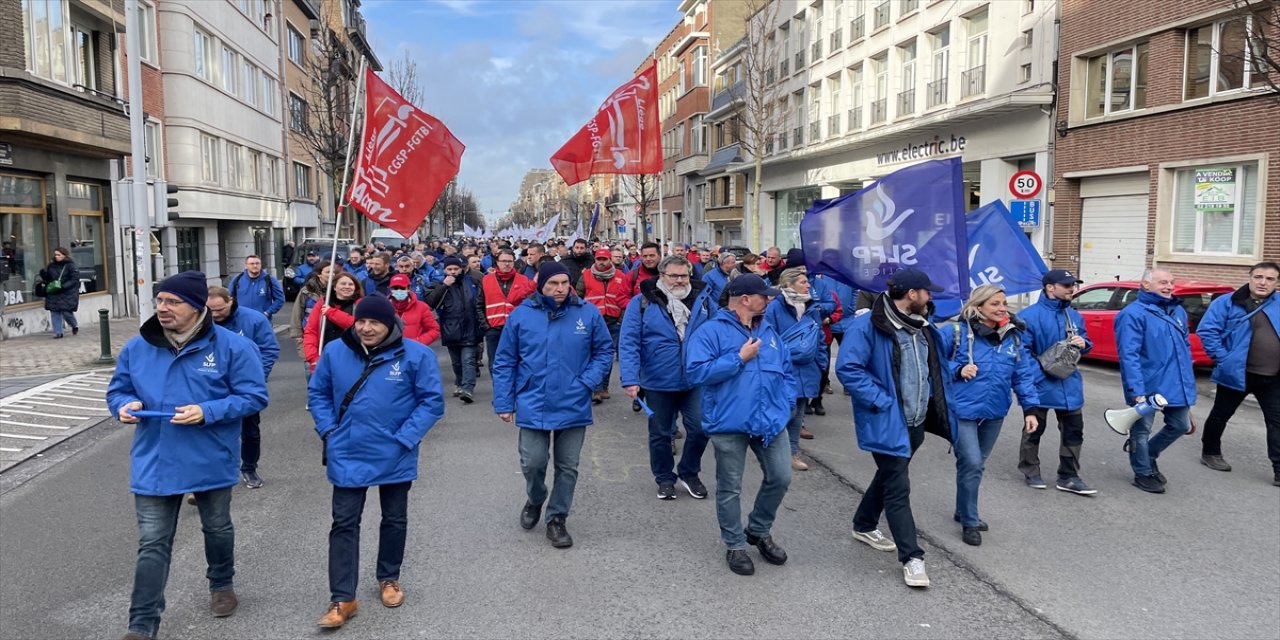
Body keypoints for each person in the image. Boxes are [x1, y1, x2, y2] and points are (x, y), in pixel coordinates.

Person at [107, 271, 268, 640]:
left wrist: (207, 411)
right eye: (160, 301)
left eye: (173, 302)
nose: (162, 308)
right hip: (155, 459)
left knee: (217, 527)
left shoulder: (233, 347)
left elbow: (254, 396)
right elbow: (118, 390)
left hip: (209, 454)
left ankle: (222, 583)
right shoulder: (137, 347)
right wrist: (123, 405)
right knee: (153, 543)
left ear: (196, 307)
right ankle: (141, 625)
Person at [309, 295, 445, 629]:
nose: (366, 328)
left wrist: (405, 438)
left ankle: (389, 577)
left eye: (375, 322)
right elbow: (318, 393)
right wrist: (328, 430)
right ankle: (343, 598)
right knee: (344, 523)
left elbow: (431, 402)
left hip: (395, 451)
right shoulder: (335, 352)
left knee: (394, 518)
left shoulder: (417, 355)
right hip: (347, 450)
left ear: (390, 324)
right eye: (361, 321)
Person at [836, 268, 958, 589]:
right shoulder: (868, 325)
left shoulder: (923, 325)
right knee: (898, 486)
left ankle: (864, 524)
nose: (931, 297)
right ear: (911, 294)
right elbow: (848, 368)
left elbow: (935, 367)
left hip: (916, 420)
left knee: (890, 475)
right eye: (927, 292)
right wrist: (882, 401)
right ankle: (912, 558)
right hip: (887, 420)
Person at [492, 262, 613, 549]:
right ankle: (536, 498)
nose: (560, 289)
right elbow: (505, 360)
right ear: (541, 285)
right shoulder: (521, 315)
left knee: (568, 466)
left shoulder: (587, 313)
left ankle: (557, 518)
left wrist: (587, 382)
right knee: (532, 462)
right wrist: (504, 401)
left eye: (564, 283)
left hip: (573, 400)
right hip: (533, 399)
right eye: (553, 284)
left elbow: (604, 350)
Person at [685, 274, 794, 576]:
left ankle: (758, 530)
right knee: (730, 488)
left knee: (781, 477)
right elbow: (696, 373)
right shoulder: (711, 331)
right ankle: (735, 544)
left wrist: (785, 404)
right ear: (745, 299)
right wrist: (738, 358)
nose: (769, 300)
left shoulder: (768, 330)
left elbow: (786, 370)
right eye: (764, 295)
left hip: (770, 420)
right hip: (728, 422)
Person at [941, 285, 1040, 546]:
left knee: (974, 465)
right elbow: (930, 361)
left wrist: (1030, 409)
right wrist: (957, 369)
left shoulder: (1013, 336)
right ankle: (970, 520)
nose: (1002, 308)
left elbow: (1022, 375)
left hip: (994, 412)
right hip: (961, 410)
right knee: (972, 463)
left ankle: (962, 509)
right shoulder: (955, 332)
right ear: (978, 306)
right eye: (995, 303)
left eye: (1004, 303)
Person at [620, 255, 715, 500]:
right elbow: (629, 342)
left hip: (695, 378)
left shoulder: (704, 300)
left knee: (701, 428)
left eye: (684, 276)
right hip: (657, 379)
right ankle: (664, 478)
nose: (680, 280)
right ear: (662, 276)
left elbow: (718, 332)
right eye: (674, 276)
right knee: (661, 434)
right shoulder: (641, 302)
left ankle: (689, 473)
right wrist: (630, 378)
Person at [1114, 268, 1197, 494]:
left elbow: (1184, 348)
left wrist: (1187, 387)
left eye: (1171, 282)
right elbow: (1129, 356)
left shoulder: (1178, 310)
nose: (1169, 286)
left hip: (1176, 384)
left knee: (1181, 425)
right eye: (1163, 282)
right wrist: (1136, 391)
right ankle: (1142, 472)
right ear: (1146, 285)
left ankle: (1147, 455)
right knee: (1142, 431)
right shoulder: (1132, 314)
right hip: (1147, 385)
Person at [1197, 261, 1280, 486]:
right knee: (1221, 414)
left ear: (1276, 283)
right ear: (1250, 277)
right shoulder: (1227, 302)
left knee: (1277, 422)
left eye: (1270, 279)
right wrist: (1224, 359)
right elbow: (1207, 330)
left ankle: (1279, 468)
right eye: (1259, 277)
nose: (1263, 282)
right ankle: (1210, 453)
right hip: (1237, 373)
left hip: (1273, 377)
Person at [1018, 269, 1098, 495]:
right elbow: (1021, 354)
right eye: (1067, 285)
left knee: (1074, 431)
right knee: (1034, 429)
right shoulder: (1028, 316)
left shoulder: (1074, 315)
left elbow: (1086, 342)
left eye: (1073, 284)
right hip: (1041, 384)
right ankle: (1030, 470)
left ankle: (1069, 476)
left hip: (1069, 384)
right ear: (1050, 288)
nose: (1072, 289)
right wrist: (1042, 374)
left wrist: (1084, 344)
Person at [205, 285, 279, 489]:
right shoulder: (201, 321)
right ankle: (213, 471)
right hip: (213, 385)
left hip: (245, 388)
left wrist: (255, 378)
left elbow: (269, 349)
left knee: (250, 431)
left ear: (230, 301)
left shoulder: (254, 319)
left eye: (220, 309)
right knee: (211, 430)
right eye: (210, 310)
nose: (215, 314)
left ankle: (249, 467)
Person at [763, 267, 827, 471]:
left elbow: (819, 336)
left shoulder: (811, 306)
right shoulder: (774, 307)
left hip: (808, 368)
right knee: (785, 413)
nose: (808, 285)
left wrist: (822, 363)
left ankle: (791, 453)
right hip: (784, 369)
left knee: (798, 415)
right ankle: (773, 452)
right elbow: (767, 338)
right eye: (803, 282)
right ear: (789, 284)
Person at [577, 248, 633, 403]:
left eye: (604, 259)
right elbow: (578, 297)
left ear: (610, 260)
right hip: (592, 322)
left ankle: (603, 387)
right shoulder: (586, 275)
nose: (601, 262)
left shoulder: (621, 276)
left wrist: (621, 318)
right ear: (595, 260)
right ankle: (595, 387)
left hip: (613, 321)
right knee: (591, 354)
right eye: (599, 259)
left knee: (607, 356)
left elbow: (624, 298)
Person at [424, 256, 482, 403]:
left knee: (468, 360)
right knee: (456, 362)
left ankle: (468, 388)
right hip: (451, 329)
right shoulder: (438, 284)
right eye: (449, 269)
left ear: (461, 269)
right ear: (444, 270)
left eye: (456, 269)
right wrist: (444, 286)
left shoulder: (472, 282)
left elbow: (480, 302)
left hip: (470, 327)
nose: (453, 272)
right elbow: (430, 302)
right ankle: (460, 382)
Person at [478, 249, 536, 376]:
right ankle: (498, 388)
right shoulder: (486, 280)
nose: (507, 264)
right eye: (504, 261)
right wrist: (486, 326)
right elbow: (479, 304)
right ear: (497, 263)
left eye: (510, 261)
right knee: (495, 364)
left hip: (517, 328)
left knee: (518, 362)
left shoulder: (523, 279)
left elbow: (529, 304)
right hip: (494, 328)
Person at [304, 272, 364, 372]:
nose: (347, 287)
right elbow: (311, 331)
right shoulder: (323, 303)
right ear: (335, 287)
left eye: (351, 284)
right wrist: (313, 357)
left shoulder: (360, 304)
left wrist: (331, 313)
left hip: (351, 358)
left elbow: (356, 325)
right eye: (343, 283)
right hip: (324, 357)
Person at [290, 261, 334, 366]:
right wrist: (297, 335)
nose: (332, 274)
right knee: (311, 366)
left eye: (333, 272)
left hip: (331, 334)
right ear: (319, 274)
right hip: (310, 333)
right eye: (328, 272)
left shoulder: (337, 290)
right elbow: (297, 313)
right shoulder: (307, 291)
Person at [39, 247, 79, 338]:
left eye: (59, 255)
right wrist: (43, 274)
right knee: (54, 312)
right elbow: (48, 278)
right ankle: (58, 332)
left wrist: (63, 286)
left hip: (67, 293)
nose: (56, 256)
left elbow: (74, 279)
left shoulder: (70, 266)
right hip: (54, 291)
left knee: (66, 312)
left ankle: (74, 325)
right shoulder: (51, 265)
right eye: (55, 255)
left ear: (64, 255)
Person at [389, 274, 440, 345]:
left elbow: (434, 330)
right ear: (391, 289)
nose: (399, 291)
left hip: (413, 349)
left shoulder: (421, 307)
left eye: (402, 288)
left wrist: (418, 343)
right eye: (395, 288)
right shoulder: (384, 307)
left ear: (408, 288)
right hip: (390, 350)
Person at [228, 255, 284, 320]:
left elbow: (280, 299)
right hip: (242, 320)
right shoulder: (237, 279)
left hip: (262, 320)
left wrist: (268, 312)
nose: (255, 266)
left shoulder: (270, 280)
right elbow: (229, 298)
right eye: (252, 264)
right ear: (246, 266)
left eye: (257, 263)